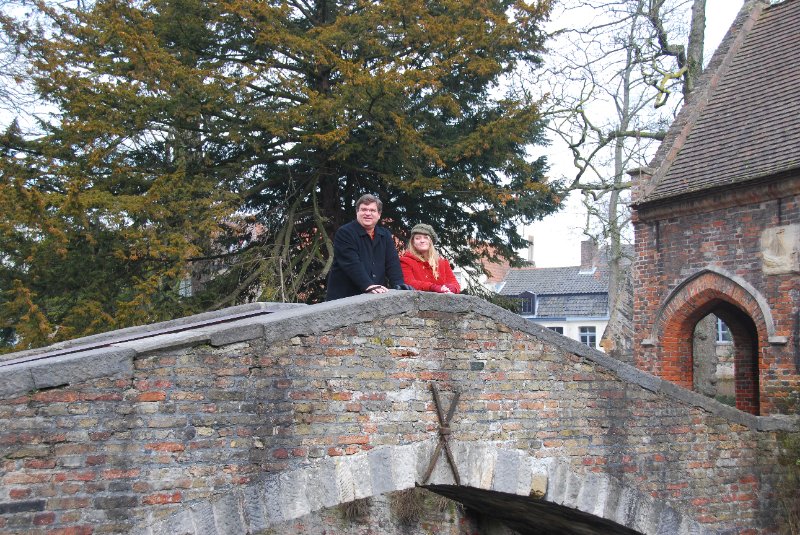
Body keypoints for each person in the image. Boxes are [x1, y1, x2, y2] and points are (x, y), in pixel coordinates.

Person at [325, 194, 406, 301]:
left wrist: (399, 285)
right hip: (344, 298)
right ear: (357, 212)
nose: (368, 213)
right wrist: (367, 285)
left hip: (374, 297)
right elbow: (351, 263)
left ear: (379, 214)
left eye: (372, 210)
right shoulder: (345, 233)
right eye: (364, 210)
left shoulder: (385, 235)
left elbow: (392, 263)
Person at [399, 223, 460, 294]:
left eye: (426, 237)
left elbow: (455, 284)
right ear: (413, 242)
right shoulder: (405, 261)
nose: (422, 241)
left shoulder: (442, 262)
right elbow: (409, 282)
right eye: (418, 238)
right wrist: (433, 287)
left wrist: (449, 289)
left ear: (431, 241)